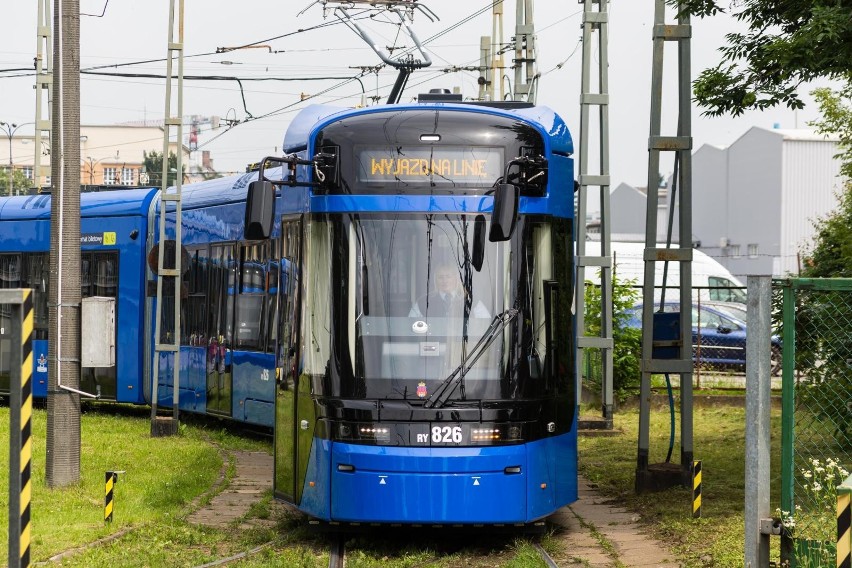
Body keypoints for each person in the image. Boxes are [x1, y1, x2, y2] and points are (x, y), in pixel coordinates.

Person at [409, 264, 490, 318]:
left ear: (456, 279)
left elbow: (485, 323)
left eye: (448, 276)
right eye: (440, 277)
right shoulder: (423, 302)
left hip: (463, 343)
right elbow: (410, 323)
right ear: (435, 280)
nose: (445, 281)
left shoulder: (471, 301)